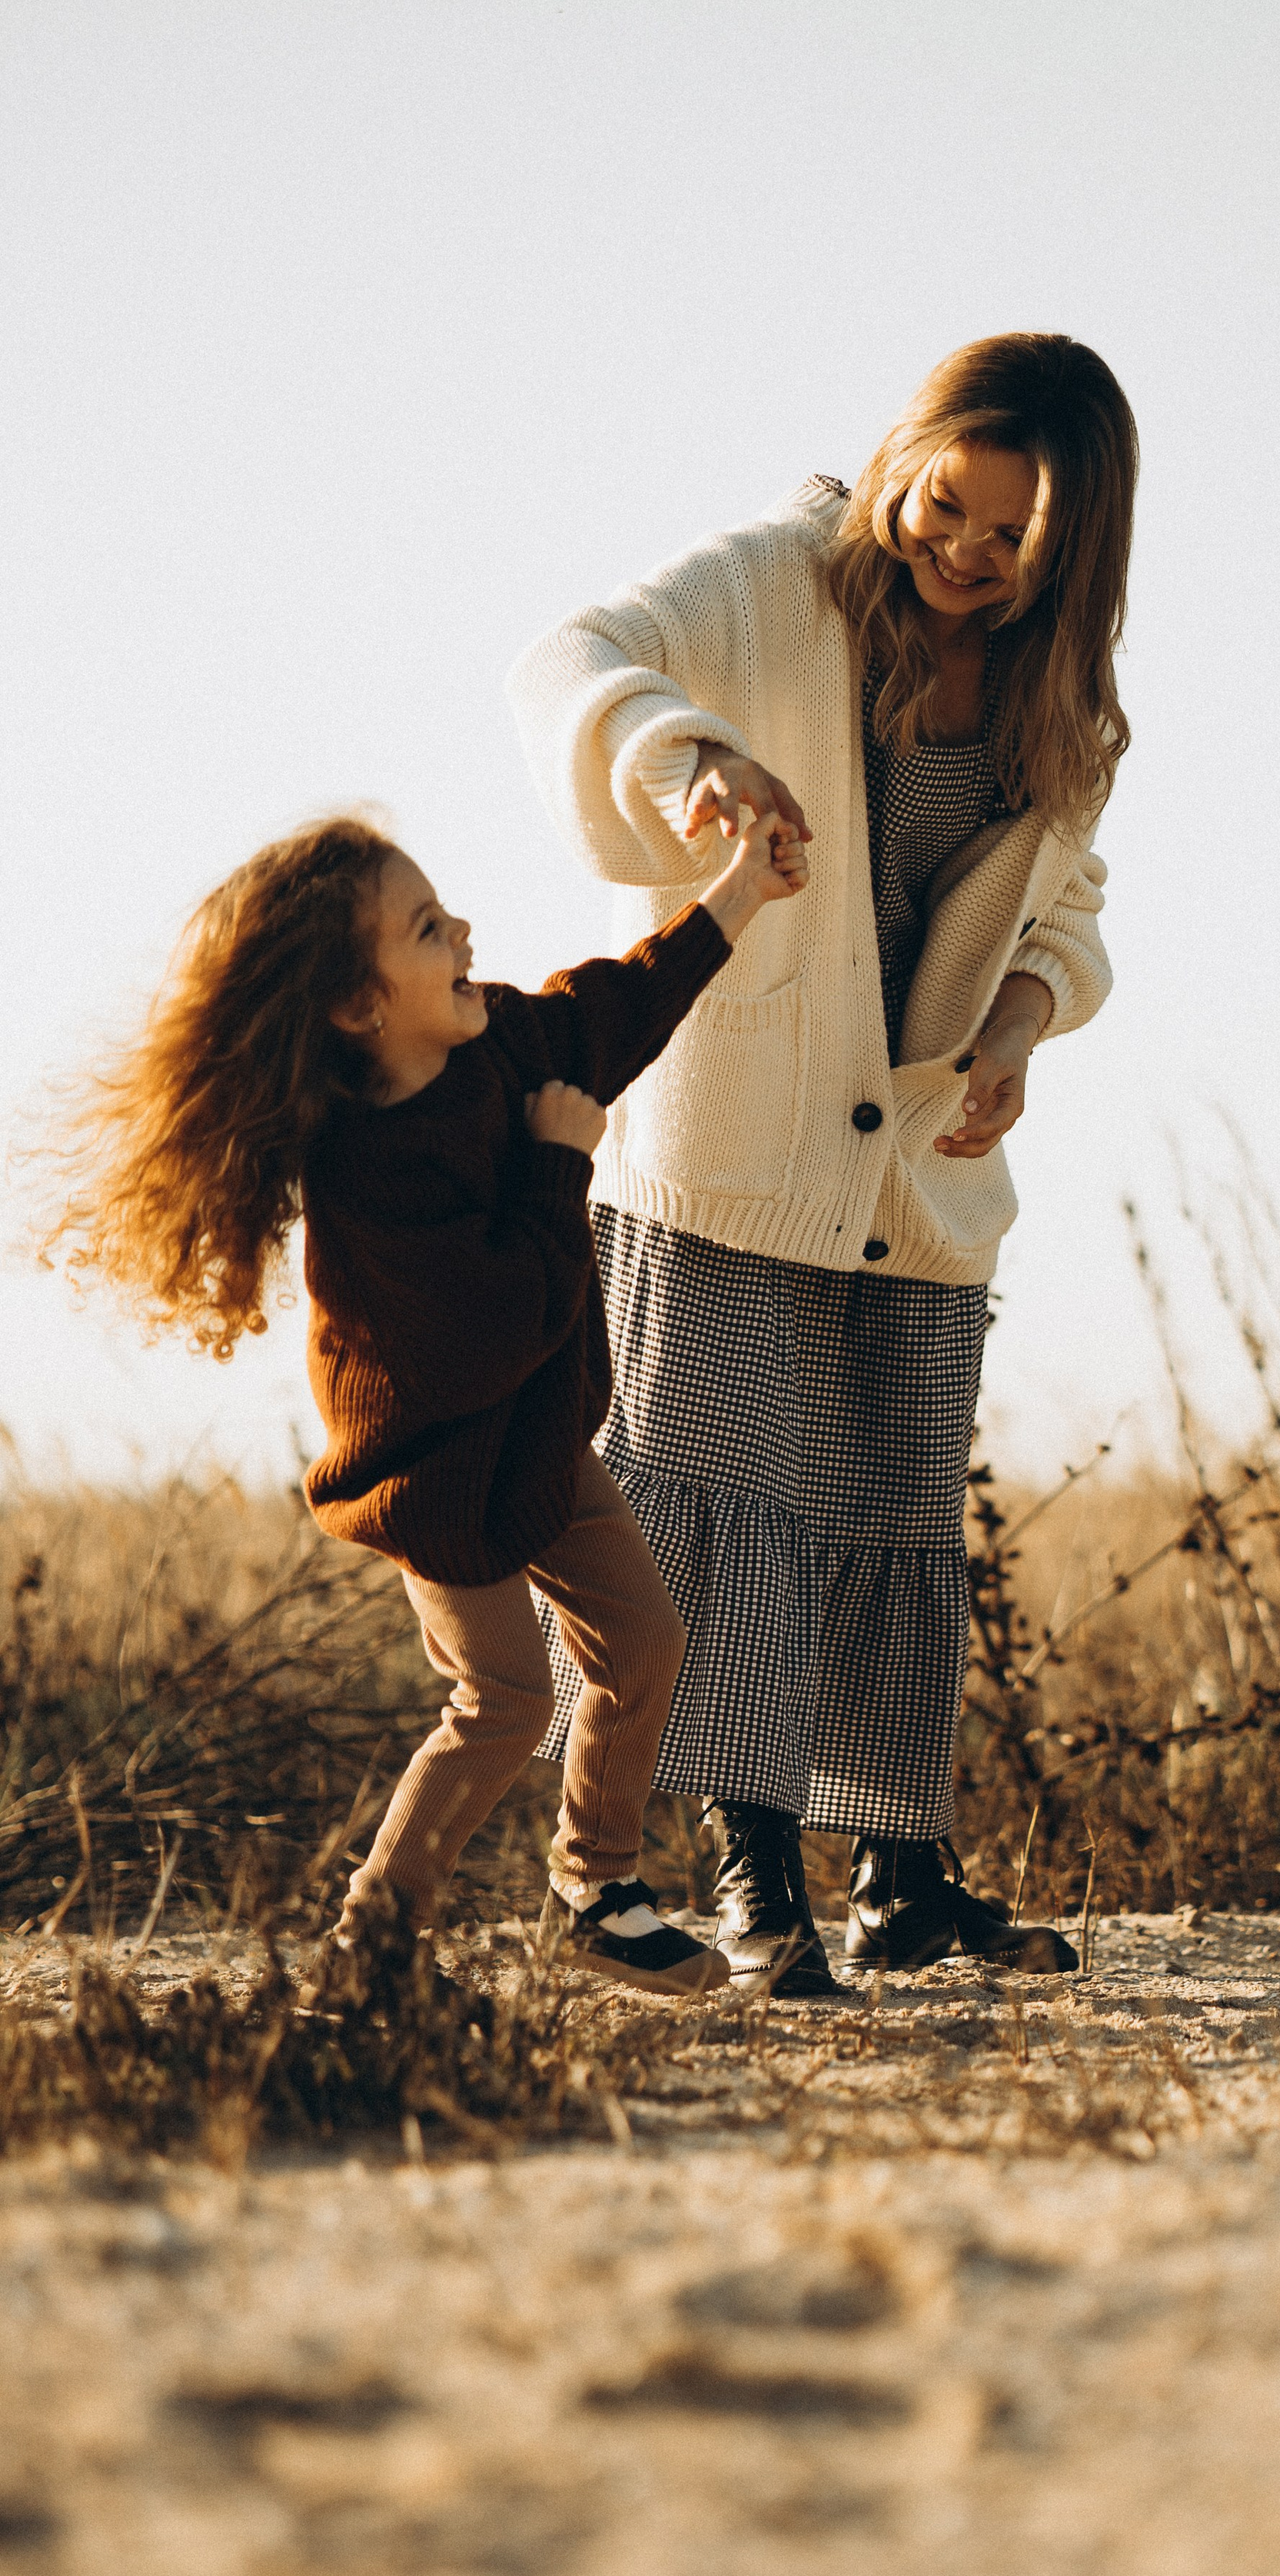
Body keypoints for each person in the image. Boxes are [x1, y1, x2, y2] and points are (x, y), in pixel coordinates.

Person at [508, 331, 1137, 1994]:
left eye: (1012, 541)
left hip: (915, 1182)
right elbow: (573, 654)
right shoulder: (776, 578)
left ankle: (903, 1885)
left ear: (1068, 556)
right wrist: (685, 754)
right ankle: (750, 1882)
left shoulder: (1060, 696)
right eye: (947, 503)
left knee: (884, 1524)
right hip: (725, 1142)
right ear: (905, 454)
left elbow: (1063, 919)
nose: (963, 551)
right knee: (722, 1521)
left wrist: (1011, 1034)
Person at [40, 806, 807, 1989]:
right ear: (360, 1007)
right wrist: (561, 1165)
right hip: (438, 1473)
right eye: (427, 926)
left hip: (542, 1442)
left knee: (642, 1641)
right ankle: (374, 1938)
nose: (464, 933)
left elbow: (617, 1007)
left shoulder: (500, 1040)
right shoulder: (372, 1178)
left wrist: (739, 893)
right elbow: (496, 1326)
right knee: (503, 1698)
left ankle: (597, 1890)